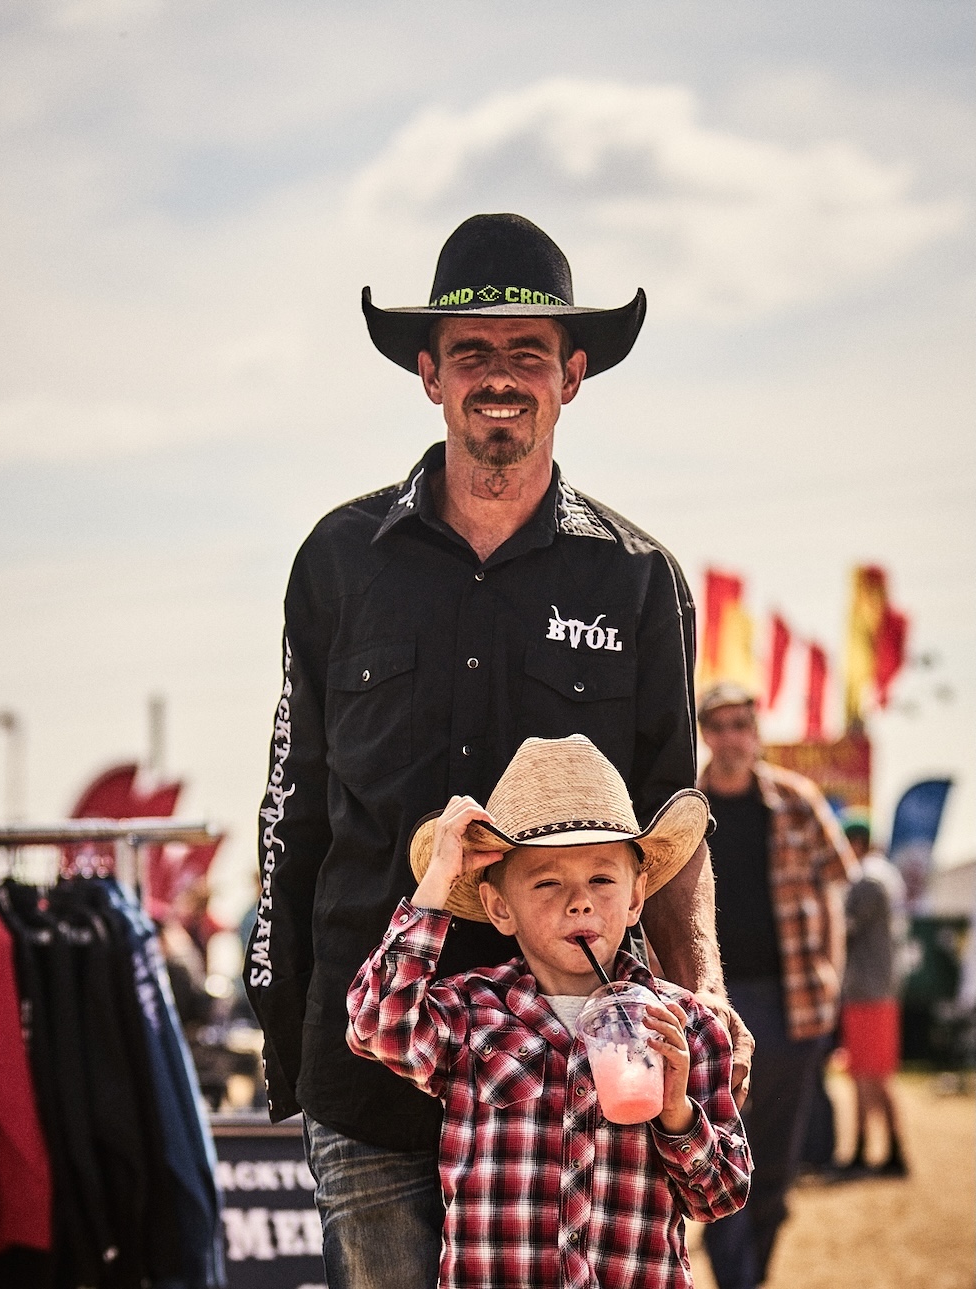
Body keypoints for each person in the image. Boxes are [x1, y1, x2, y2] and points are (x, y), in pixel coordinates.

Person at [244, 213, 751, 1288]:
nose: (500, 377)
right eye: (471, 352)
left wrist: (701, 991)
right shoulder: (338, 560)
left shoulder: (636, 581)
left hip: (572, 1076)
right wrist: (283, 1023)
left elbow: (674, 820)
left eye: (528, 353)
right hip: (372, 1063)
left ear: (573, 374)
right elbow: (293, 811)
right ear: (429, 374)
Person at [347, 735, 752, 1288]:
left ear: (636, 899)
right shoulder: (471, 1013)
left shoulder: (686, 1027)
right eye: (547, 882)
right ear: (499, 908)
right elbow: (376, 1023)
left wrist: (676, 1110)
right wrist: (437, 880)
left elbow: (722, 1195)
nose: (579, 901)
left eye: (602, 880)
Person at [696, 681, 856, 1289]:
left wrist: (833, 980)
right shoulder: (686, 808)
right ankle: (735, 1272)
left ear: (755, 731)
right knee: (719, 1147)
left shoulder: (797, 800)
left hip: (794, 1003)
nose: (732, 737)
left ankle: (751, 1272)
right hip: (715, 1006)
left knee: (778, 1159)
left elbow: (835, 890)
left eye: (742, 724)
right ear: (705, 733)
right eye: (720, 725)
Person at [838, 810, 910, 1176]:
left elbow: (841, 929)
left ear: (856, 843)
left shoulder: (867, 881)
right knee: (871, 1075)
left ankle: (874, 1152)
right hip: (875, 990)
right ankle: (880, 1152)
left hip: (868, 991)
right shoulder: (883, 875)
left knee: (871, 1077)